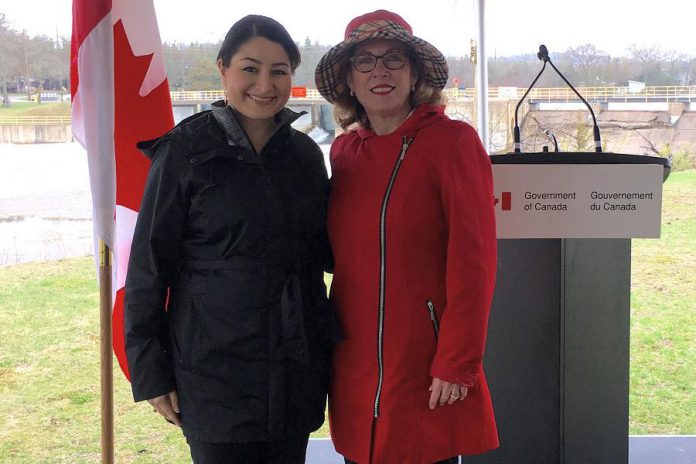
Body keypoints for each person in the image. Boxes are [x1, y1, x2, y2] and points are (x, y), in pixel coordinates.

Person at [124, 14, 334, 464]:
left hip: (295, 372)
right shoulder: (184, 153)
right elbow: (147, 267)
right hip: (213, 375)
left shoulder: (304, 157)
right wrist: (150, 372)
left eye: (279, 71)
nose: (264, 83)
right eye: (250, 67)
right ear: (223, 69)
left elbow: (329, 251)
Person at [315, 9, 499, 464]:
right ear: (348, 81)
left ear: (414, 73)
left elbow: (474, 263)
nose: (380, 71)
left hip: (425, 362)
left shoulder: (453, 143)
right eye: (364, 61)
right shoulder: (345, 152)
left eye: (393, 58)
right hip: (354, 361)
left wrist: (457, 361)